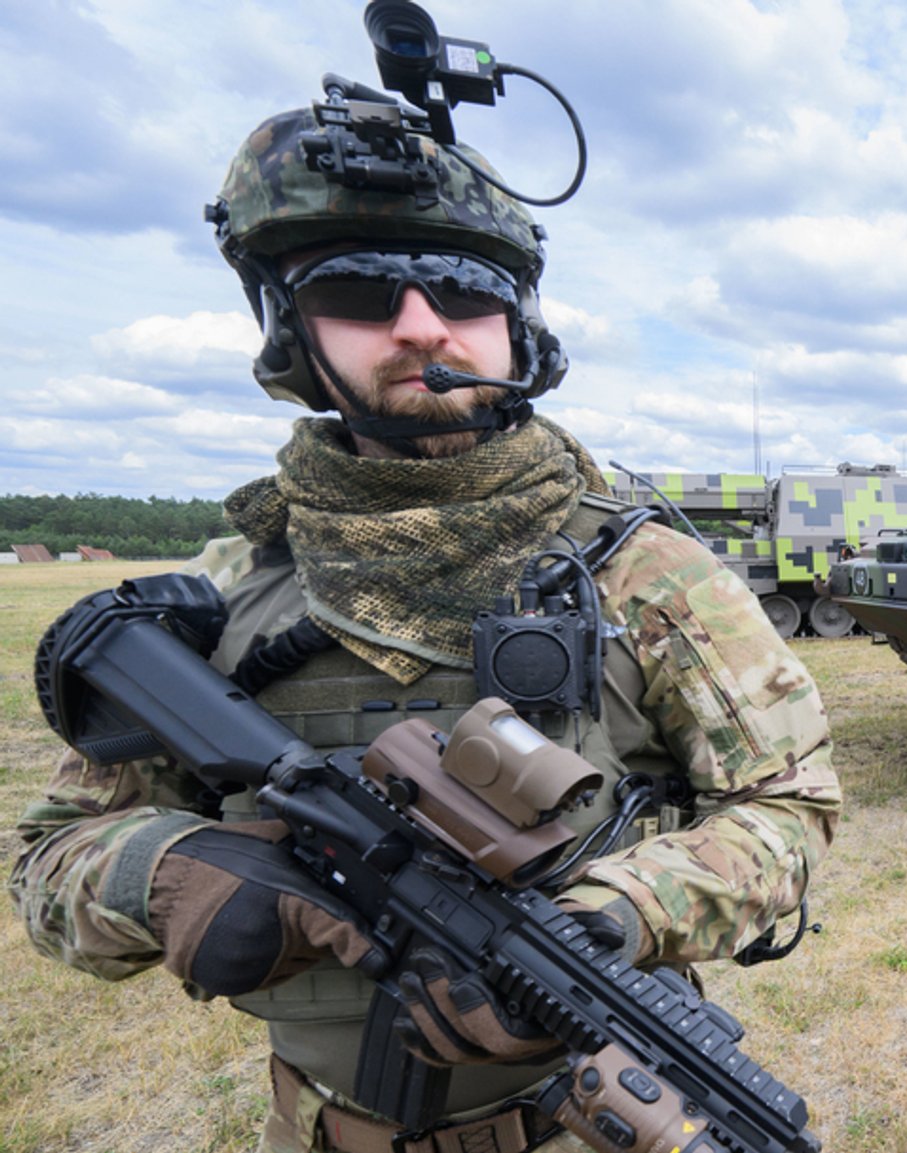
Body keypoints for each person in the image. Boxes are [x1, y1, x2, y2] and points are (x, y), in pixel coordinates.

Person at [9, 106, 840, 1153]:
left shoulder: (647, 571)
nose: (419, 326)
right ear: (287, 325)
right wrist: (169, 872)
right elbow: (49, 864)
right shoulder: (223, 596)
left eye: (463, 291)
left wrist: (620, 909)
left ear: (516, 323)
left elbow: (785, 809)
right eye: (356, 292)